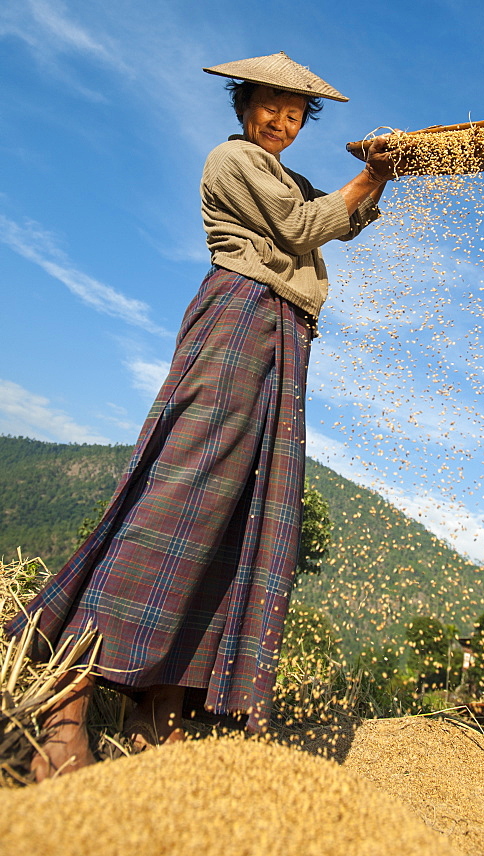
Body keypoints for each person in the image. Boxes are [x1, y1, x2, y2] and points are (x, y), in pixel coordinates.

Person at [6, 51, 396, 780]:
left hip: (282, 331)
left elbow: (341, 224)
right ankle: (63, 701)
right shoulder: (234, 159)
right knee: (183, 496)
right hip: (242, 317)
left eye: (293, 111)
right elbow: (308, 226)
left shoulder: (284, 175)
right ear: (242, 105)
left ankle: (162, 710)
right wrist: (370, 177)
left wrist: (381, 176)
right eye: (267, 105)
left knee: (235, 509)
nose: (279, 120)